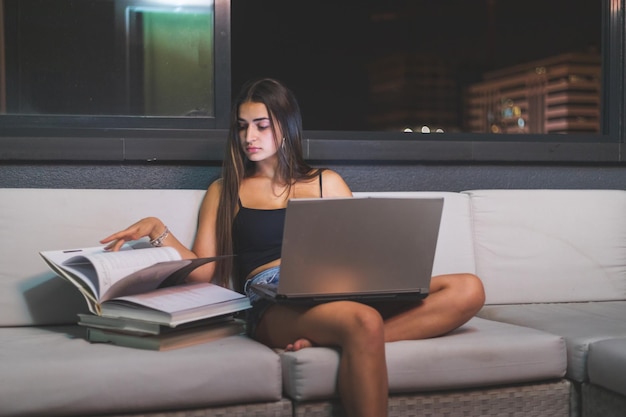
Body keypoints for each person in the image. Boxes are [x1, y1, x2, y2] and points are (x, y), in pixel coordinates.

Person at [101, 78, 486, 417]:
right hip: (272, 301)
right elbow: (205, 271)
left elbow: (361, 254)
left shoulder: (326, 182)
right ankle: (352, 334)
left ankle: (345, 338)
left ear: (285, 126)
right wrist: (159, 231)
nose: (249, 136)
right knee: (362, 321)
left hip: (337, 290)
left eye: (261, 125)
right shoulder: (225, 190)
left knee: (469, 288)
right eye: (242, 127)